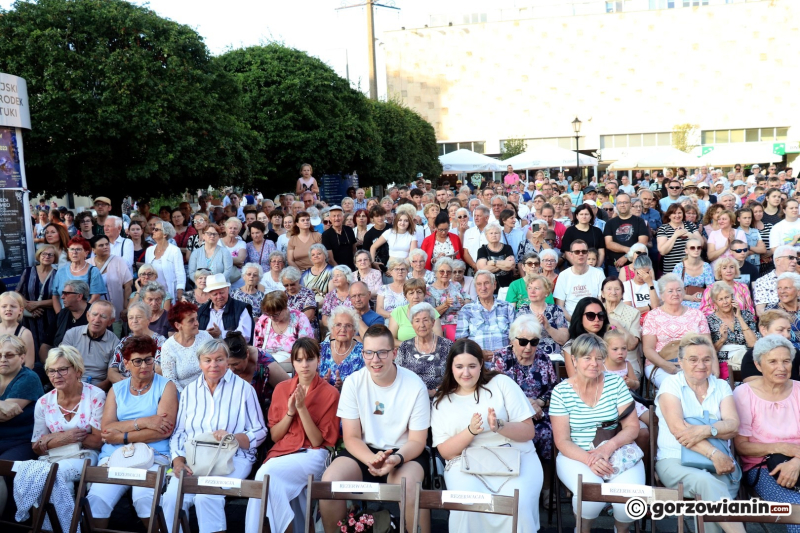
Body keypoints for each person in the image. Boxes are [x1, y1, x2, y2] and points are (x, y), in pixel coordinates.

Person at [320, 325, 430, 533]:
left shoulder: (415, 386)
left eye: (382, 352)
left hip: (404, 453)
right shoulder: (353, 382)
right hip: (364, 450)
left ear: (394, 353)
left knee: (409, 490)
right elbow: (351, 437)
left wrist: (394, 459)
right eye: (369, 352)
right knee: (330, 484)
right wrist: (371, 459)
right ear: (363, 354)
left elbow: (417, 441)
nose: (375, 359)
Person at [432, 337, 542, 533]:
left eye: (472, 366)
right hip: (465, 463)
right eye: (459, 366)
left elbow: (528, 431)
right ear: (451, 367)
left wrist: (500, 426)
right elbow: (446, 452)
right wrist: (471, 431)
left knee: (518, 504)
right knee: (466, 506)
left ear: (481, 364)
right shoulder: (442, 401)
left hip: (516, 456)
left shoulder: (501, 383)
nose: (466, 373)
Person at [161, 339, 267, 533]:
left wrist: (234, 437)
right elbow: (179, 432)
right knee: (170, 499)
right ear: (199, 363)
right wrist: (177, 461)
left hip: (233, 458)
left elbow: (260, 431)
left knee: (206, 496)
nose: (213, 365)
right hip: (195, 460)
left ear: (227, 361)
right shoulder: (189, 392)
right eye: (207, 360)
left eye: (219, 359)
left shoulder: (244, 389)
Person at [551, 333, 644, 533]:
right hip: (576, 454)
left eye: (599, 358)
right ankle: (582, 530)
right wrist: (590, 459)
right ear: (574, 360)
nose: (594, 363)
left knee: (631, 499)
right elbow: (562, 440)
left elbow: (632, 427)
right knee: (590, 496)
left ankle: (622, 530)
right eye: (587, 358)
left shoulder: (616, 383)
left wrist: (607, 449)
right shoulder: (561, 392)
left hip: (617, 449)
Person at [245, 338, 340, 533]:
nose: (304, 365)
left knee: (264, 476)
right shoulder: (281, 388)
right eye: (299, 360)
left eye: (309, 359)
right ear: (293, 362)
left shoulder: (330, 393)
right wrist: (290, 413)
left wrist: (302, 408)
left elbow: (317, 441)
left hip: (313, 455)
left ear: (318, 360)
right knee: (273, 484)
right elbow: (275, 436)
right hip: (282, 452)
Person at [84, 335, 178, 531]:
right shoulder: (116, 389)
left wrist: (122, 436)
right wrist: (145, 421)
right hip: (115, 455)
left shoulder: (166, 386)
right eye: (137, 361)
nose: (144, 365)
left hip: (154, 455)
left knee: (144, 498)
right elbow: (107, 428)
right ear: (126, 364)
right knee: (96, 499)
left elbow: (163, 430)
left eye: (149, 359)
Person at [655, 335, 744, 533]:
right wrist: (715, 453)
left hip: (717, 463)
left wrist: (705, 429)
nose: (701, 365)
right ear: (680, 361)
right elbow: (680, 431)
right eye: (693, 359)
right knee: (708, 483)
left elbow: (733, 425)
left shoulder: (720, 386)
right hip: (674, 460)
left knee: (716, 489)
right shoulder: (671, 385)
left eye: (706, 359)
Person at [734, 335, 800, 526]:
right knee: (795, 512)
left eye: (786, 361)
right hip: (763, 468)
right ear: (758, 365)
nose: (781, 367)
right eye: (772, 361)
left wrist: (796, 461)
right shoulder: (744, 393)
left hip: (797, 461)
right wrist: (782, 447)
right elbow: (742, 447)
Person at [491, 315, 558, 501]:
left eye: (533, 342)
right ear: (512, 340)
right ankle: (512, 489)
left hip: (539, 415)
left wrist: (541, 402)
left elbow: (553, 390)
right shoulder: (501, 358)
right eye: (523, 342)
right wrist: (527, 403)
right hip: (512, 417)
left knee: (548, 433)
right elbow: (496, 392)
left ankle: (545, 489)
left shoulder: (544, 358)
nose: (528, 347)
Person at [32, 346, 105, 474]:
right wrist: (63, 437)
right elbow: (37, 447)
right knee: (30, 473)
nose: (56, 376)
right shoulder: (43, 402)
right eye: (52, 371)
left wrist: (53, 438)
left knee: (57, 473)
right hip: (53, 457)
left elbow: (97, 441)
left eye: (62, 369)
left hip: (85, 454)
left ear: (78, 371)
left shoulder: (96, 396)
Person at [643, 274, 714, 388]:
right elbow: (648, 349)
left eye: (679, 290)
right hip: (660, 364)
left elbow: (708, 345)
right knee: (676, 386)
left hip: (695, 363)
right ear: (661, 295)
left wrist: (714, 369)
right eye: (670, 291)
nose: (675, 294)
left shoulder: (697, 314)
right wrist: (667, 366)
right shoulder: (653, 316)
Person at [0, 334, 44, 461]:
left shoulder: (29, 378)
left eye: (9, 355)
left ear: (22, 357)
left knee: (4, 466)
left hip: (21, 442)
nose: (3, 359)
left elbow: (4, 416)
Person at [395, 302, 453, 398]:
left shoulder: (447, 346)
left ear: (433, 322)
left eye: (425, 320)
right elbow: (397, 375)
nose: (422, 325)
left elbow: (454, 375)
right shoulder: (405, 346)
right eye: (417, 321)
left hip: (440, 396)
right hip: (411, 397)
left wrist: (435, 391)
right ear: (412, 324)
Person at [456, 271, 516, 360]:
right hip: (478, 362)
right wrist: (478, 354)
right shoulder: (466, 310)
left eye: (486, 283)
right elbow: (461, 342)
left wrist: (504, 354)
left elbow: (516, 337)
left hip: (505, 360)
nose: (483, 288)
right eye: (479, 284)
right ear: (475, 287)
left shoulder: (507, 307)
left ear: (494, 285)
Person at [60, 301, 119, 391]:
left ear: (111, 321)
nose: (97, 320)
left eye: (103, 316)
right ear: (88, 316)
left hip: (99, 389)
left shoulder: (115, 342)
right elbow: (62, 366)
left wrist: (91, 392)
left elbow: (110, 377)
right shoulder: (72, 334)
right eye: (94, 314)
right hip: (71, 384)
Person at [706, 281, 757, 379]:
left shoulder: (746, 315)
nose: (725, 302)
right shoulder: (709, 321)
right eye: (720, 299)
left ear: (732, 298)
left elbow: (753, 344)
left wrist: (739, 317)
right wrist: (722, 340)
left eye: (727, 297)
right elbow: (709, 352)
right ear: (715, 302)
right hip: (724, 362)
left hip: (746, 359)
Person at [107, 302, 166, 383]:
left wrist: (136, 384)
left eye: (139, 317)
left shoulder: (160, 342)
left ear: (149, 319)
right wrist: (127, 384)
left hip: (150, 385)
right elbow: (112, 371)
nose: (134, 321)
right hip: (125, 385)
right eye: (131, 318)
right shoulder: (124, 341)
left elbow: (159, 371)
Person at [160, 302, 213, 392]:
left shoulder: (205, 337)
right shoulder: (168, 347)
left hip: (211, 389)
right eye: (191, 321)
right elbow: (170, 381)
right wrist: (186, 397)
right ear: (178, 325)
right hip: (185, 395)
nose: (196, 323)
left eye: (196, 319)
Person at [17, 246, 58, 357]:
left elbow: (60, 298)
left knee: (48, 349)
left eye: (50, 255)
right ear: (39, 256)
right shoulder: (28, 271)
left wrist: (37, 304)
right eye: (44, 254)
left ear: (55, 258)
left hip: (49, 319)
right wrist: (27, 305)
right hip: (29, 319)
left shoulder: (57, 274)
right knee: (29, 348)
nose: (47, 256)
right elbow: (17, 292)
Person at [52, 236, 107, 313]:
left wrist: (82, 315)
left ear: (86, 253)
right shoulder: (61, 271)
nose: (74, 252)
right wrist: (60, 315)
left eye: (78, 249)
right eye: (71, 249)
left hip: (85, 316)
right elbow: (55, 296)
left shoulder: (93, 271)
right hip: (64, 317)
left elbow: (95, 297)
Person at [600, 278, 643, 378]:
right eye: (609, 289)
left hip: (627, 365)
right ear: (602, 293)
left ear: (623, 293)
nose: (613, 292)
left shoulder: (633, 313)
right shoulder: (596, 311)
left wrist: (616, 324)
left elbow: (632, 345)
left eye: (617, 289)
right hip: (600, 364)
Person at [553, 240, 606, 320]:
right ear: (571, 255)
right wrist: (575, 322)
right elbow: (560, 306)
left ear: (587, 254)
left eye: (584, 251)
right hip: (571, 321)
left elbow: (602, 302)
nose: (581, 254)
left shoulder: (598, 274)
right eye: (577, 252)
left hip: (594, 320)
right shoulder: (563, 275)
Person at [88, 235, 133, 326]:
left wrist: (125, 307)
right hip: (95, 311)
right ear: (93, 249)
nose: (105, 247)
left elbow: (128, 285)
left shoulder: (118, 261)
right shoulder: (88, 264)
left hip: (116, 310)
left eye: (107, 244)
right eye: (101, 245)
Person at [197, 273, 254, 342]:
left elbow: (245, 336)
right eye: (215, 294)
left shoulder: (240, 308)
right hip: (206, 351)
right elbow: (194, 335)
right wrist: (205, 334)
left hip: (232, 351)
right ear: (209, 295)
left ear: (228, 289)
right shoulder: (201, 311)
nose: (219, 297)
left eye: (221, 292)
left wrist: (221, 334)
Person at [603, 193, 650, 277]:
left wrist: (627, 257)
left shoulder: (639, 221)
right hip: (614, 266)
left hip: (636, 265)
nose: (622, 205)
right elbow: (609, 244)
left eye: (625, 202)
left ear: (630, 204)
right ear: (616, 205)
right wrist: (629, 250)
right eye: (619, 203)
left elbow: (642, 243)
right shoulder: (610, 223)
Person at [318, 306, 365, 390]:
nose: (343, 329)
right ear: (332, 328)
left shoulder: (362, 352)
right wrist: (321, 382)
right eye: (338, 325)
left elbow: (364, 384)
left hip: (351, 399)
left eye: (348, 326)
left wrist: (345, 386)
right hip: (323, 399)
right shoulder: (321, 349)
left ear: (354, 330)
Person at [426, 258, 469, 341]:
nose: (445, 274)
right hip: (444, 323)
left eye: (448, 272)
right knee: (459, 340)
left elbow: (468, 298)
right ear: (435, 273)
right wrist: (445, 305)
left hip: (462, 321)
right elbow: (431, 314)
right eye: (442, 271)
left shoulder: (456, 285)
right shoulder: (429, 290)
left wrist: (464, 302)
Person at [145, 220, 185, 302]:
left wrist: (180, 291)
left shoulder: (174, 250)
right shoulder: (149, 250)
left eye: (156, 229)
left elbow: (180, 272)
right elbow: (146, 271)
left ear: (165, 234)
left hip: (169, 292)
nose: (153, 231)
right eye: (153, 229)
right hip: (152, 293)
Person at [656, 203, 702, 275]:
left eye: (679, 213)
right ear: (669, 215)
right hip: (671, 270)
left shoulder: (690, 225)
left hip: (691, 270)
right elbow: (663, 251)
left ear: (683, 214)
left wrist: (690, 235)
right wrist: (675, 235)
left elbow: (701, 243)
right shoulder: (663, 228)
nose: (677, 216)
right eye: (674, 213)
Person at [673, 237, 714, 309]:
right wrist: (690, 297)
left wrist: (703, 297)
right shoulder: (679, 267)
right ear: (686, 251)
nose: (696, 250)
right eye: (692, 248)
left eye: (699, 248)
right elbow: (673, 290)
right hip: (682, 300)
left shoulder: (706, 266)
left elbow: (710, 288)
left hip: (702, 300)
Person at [476, 222, 515, 294]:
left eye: (496, 233)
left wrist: (493, 262)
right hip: (490, 289)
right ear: (486, 236)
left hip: (507, 287)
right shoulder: (482, 250)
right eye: (491, 233)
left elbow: (511, 265)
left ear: (500, 235)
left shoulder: (507, 248)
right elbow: (483, 269)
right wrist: (503, 264)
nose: (494, 235)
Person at [321, 205, 357, 270]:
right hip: (336, 269)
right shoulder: (326, 235)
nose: (336, 218)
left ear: (343, 217)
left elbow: (354, 250)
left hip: (352, 267)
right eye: (334, 216)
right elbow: (330, 259)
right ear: (330, 218)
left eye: (339, 215)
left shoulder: (349, 230)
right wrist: (340, 270)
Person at [320, 265, 353, 330]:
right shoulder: (330, 296)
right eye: (333, 276)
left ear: (347, 277)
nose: (334, 279)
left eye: (338, 276)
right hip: (334, 331)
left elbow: (363, 313)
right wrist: (336, 328)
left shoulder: (355, 293)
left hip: (354, 329)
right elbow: (324, 319)